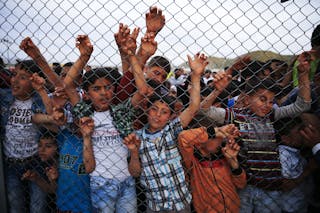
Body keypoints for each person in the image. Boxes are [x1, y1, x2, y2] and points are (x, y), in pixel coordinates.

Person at [200, 50, 312, 213]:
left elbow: (303, 105)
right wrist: (217, 90)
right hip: (245, 186)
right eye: (262, 99)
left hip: (271, 188)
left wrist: (303, 74)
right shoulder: (235, 116)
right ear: (246, 99)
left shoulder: (272, 115)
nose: (268, 104)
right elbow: (204, 110)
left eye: (271, 101)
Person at [70, 29, 150, 213]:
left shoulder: (121, 112)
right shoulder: (84, 112)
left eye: (108, 87)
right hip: (100, 181)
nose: (104, 92)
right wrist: (83, 57)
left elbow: (143, 90)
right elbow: (67, 86)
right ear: (87, 94)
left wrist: (131, 55)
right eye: (96, 89)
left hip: (126, 181)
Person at [123, 52, 208, 212]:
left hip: (181, 202)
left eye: (164, 112)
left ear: (170, 116)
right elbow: (134, 173)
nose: (157, 115)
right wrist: (134, 152)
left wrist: (196, 76)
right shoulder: (138, 137)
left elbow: (193, 107)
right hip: (155, 205)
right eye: (154, 110)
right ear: (147, 111)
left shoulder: (172, 129)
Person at [21, 35, 95, 213]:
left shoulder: (82, 97)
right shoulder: (64, 134)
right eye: (63, 75)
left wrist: (38, 57)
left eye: (70, 76)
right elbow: (48, 114)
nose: (64, 81)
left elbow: (61, 85)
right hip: (65, 201)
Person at [0, 59, 47, 213]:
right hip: (11, 163)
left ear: (34, 81)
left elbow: (53, 115)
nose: (14, 80)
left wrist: (43, 90)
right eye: (14, 75)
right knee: (15, 205)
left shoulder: (39, 101)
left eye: (23, 77)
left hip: (35, 162)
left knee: (37, 206)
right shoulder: (5, 98)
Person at [178, 123, 246, 213]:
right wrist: (215, 131)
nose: (220, 139)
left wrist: (233, 161)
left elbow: (241, 184)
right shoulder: (193, 162)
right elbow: (183, 137)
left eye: (222, 136)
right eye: (214, 137)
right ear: (200, 141)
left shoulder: (225, 156)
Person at [275, 116, 316, 213]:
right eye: (300, 131)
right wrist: (308, 170)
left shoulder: (297, 152)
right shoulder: (282, 155)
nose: (304, 133)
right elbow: (284, 185)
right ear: (286, 139)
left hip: (302, 206)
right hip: (288, 209)